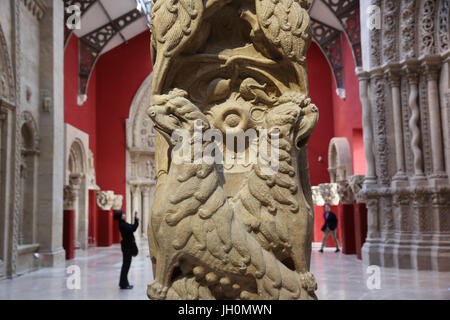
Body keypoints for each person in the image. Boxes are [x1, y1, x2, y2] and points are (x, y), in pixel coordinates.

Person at [114, 210, 139, 289]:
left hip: (127, 246)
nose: (124, 215)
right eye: (123, 214)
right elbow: (133, 228)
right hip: (127, 247)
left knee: (126, 265)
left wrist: (135, 219)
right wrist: (136, 219)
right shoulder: (122, 225)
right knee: (126, 266)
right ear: (121, 216)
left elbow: (132, 227)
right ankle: (124, 284)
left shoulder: (123, 223)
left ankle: (123, 283)